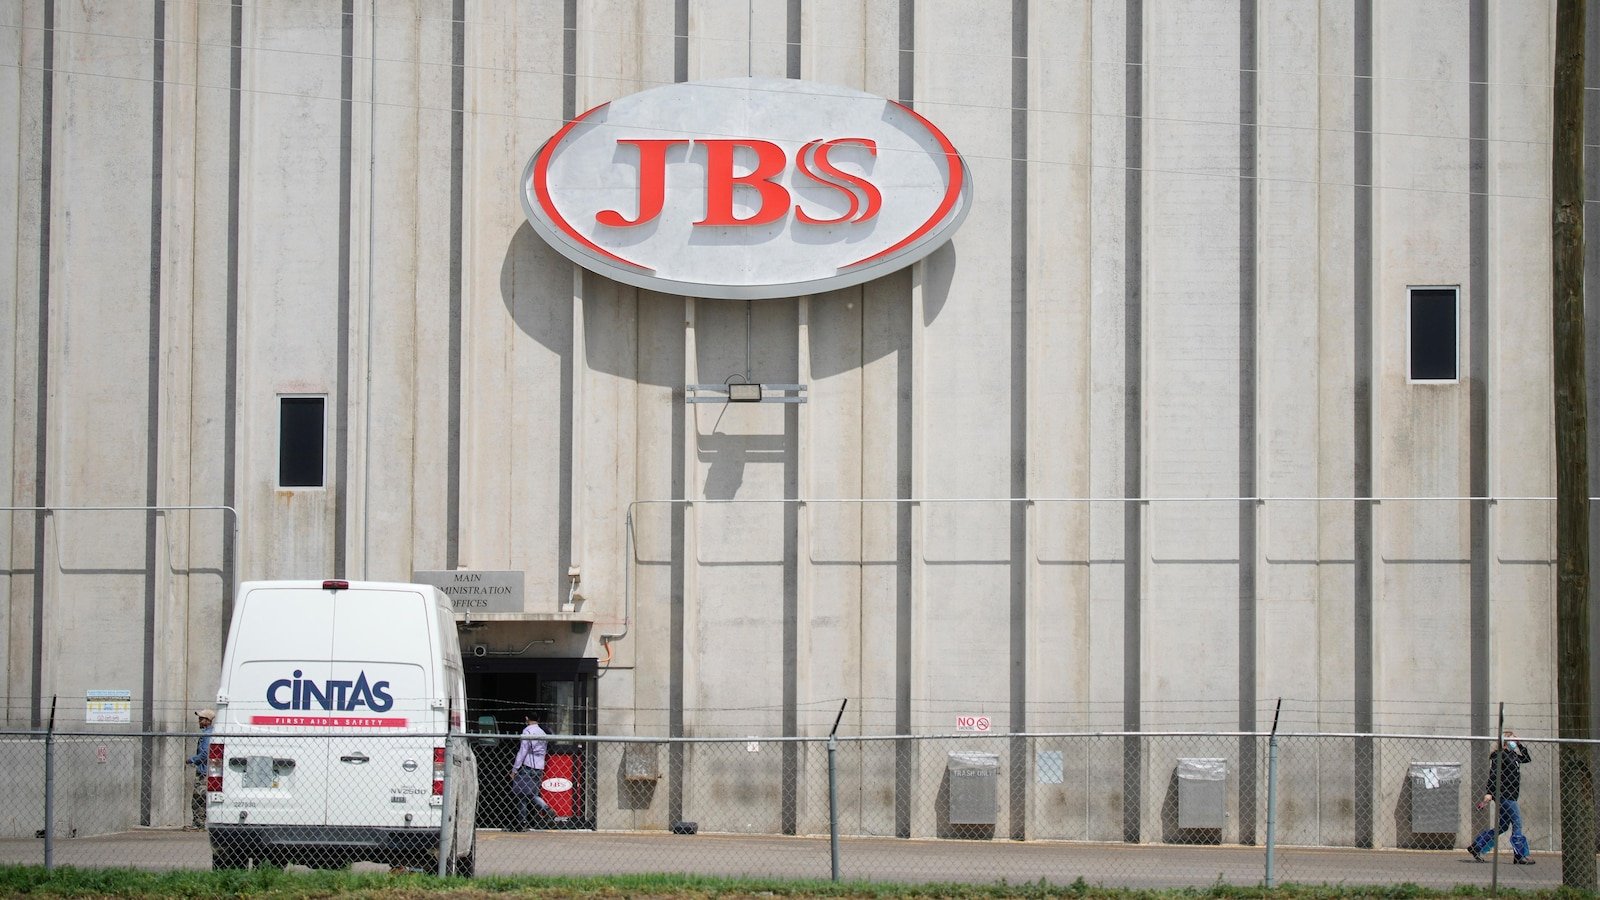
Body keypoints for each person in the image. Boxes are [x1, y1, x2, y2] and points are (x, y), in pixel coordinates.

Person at [1468, 730, 1534, 864]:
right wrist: (1489, 792)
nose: (1515, 742)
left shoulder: (1513, 755)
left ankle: (1477, 846)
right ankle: (1519, 855)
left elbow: (1526, 759)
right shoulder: (1500, 755)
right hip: (1505, 795)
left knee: (1503, 826)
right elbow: (1493, 774)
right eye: (1513, 740)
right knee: (1517, 823)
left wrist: (1520, 746)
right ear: (1505, 741)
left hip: (1512, 795)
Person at [509, 710, 554, 830]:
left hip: (527, 765)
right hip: (539, 766)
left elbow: (523, 751)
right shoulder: (542, 732)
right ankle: (545, 809)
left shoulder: (527, 731)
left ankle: (522, 822)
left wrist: (515, 769)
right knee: (530, 794)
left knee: (521, 795)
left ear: (527, 718)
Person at [185, 709, 215, 830]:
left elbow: (205, 754)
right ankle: (200, 823)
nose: (199, 721)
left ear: (208, 721)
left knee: (198, 798)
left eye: (201, 719)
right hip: (209, 770)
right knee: (203, 798)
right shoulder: (211, 733)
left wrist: (191, 759)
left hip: (204, 771)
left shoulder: (207, 735)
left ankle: (198, 824)